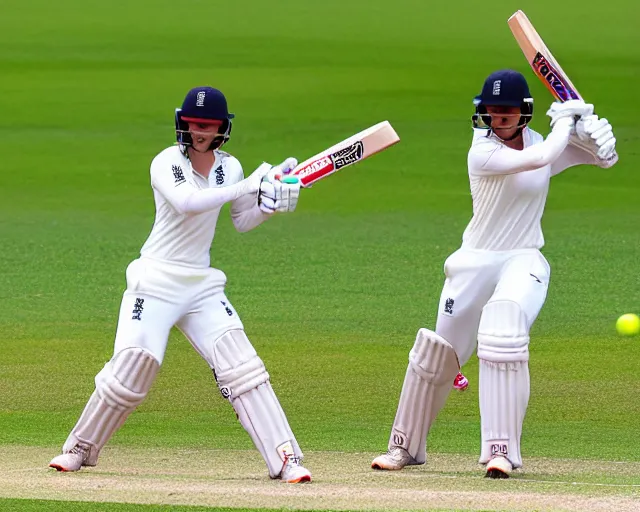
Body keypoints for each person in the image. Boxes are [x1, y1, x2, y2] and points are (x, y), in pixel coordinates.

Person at [49, 86, 312, 484]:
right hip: (154, 279)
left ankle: (286, 458)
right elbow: (189, 202)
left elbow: (242, 220)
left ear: (222, 127)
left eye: (205, 125)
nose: (197, 132)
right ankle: (79, 449)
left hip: (200, 284)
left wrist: (271, 201)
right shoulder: (165, 162)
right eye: (191, 124)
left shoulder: (232, 167)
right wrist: (252, 184)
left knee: (242, 366)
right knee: (133, 367)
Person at [371, 70, 617, 478]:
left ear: (523, 112)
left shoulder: (545, 140)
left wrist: (598, 139)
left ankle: (500, 451)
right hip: (474, 261)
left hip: (523, 258)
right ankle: (404, 448)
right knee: (437, 355)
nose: (497, 119)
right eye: (491, 111)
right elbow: (539, 159)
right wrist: (566, 122)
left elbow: (597, 159)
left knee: (503, 330)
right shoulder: (481, 152)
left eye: (505, 112)